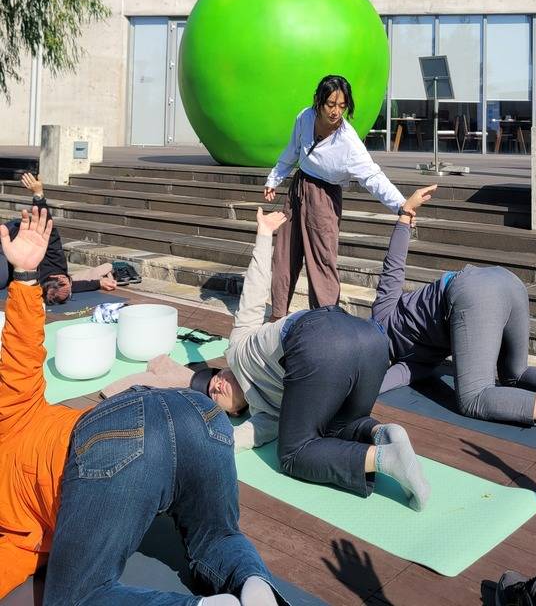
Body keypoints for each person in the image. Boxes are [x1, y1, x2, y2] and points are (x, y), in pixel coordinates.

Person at [0, 206, 289, 606]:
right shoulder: (14, 412)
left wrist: (26, 278)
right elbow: (20, 350)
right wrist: (25, 279)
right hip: (195, 412)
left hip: (116, 441)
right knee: (219, 536)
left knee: (74, 598)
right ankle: (254, 587)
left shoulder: (14, 526)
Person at [106, 207, 430, 510]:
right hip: (370, 341)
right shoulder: (268, 417)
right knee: (338, 426)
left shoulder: (237, 345)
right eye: (218, 400)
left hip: (318, 334)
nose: (215, 386)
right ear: (239, 410)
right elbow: (231, 440)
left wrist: (264, 234)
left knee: (292, 455)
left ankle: (386, 460)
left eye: (213, 383)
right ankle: (382, 434)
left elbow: (254, 291)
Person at [373, 186, 536, 426]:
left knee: (473, 398)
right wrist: (405, 214)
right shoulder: (405, 358)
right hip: (508, 282)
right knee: (515, 374)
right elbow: (393, 266)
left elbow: (375, 384)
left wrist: (405, 214)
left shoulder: (382, 321)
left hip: (472, 296)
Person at [264, 75, 410, 318]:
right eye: (331, 104)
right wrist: (274, 179)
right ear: (318, 101)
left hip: (325, 197)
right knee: (285, 255)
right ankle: (277, 315)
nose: (336, 111)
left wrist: (401, 205)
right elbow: (292, 151)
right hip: (299, 188)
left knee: (322, 260)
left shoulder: (348, 140)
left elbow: (372, 176)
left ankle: (326, 320)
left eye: (342, 106)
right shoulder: (305, 117)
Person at [0, 172, 137, 304]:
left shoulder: (38, 284)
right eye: (69, 284)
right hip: (16, 234)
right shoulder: (56, 262)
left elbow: (72, 286)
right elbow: (48, 226)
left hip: (13, 253)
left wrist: (99, 283)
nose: (69, 282)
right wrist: (38, 196)